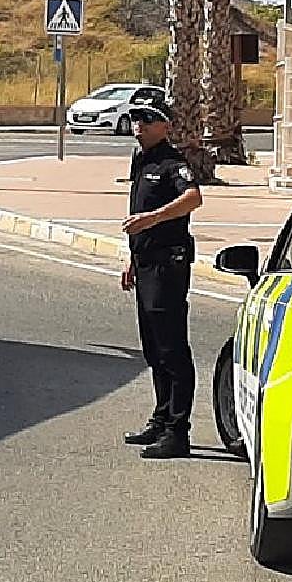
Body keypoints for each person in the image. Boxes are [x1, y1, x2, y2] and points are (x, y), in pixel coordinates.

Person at [120, 98, 203, 459]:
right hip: (147, 261)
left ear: (165, 125)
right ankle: (160, 416)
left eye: (148, 119)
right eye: (135, 117)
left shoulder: (173, 162)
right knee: (153, 347)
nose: (139, 124)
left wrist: (151, 220)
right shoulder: (141, 159)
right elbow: (135, 211)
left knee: (171, 347)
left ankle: (177, 430)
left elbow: (193, 198)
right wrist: (133, 257)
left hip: (169, 263)